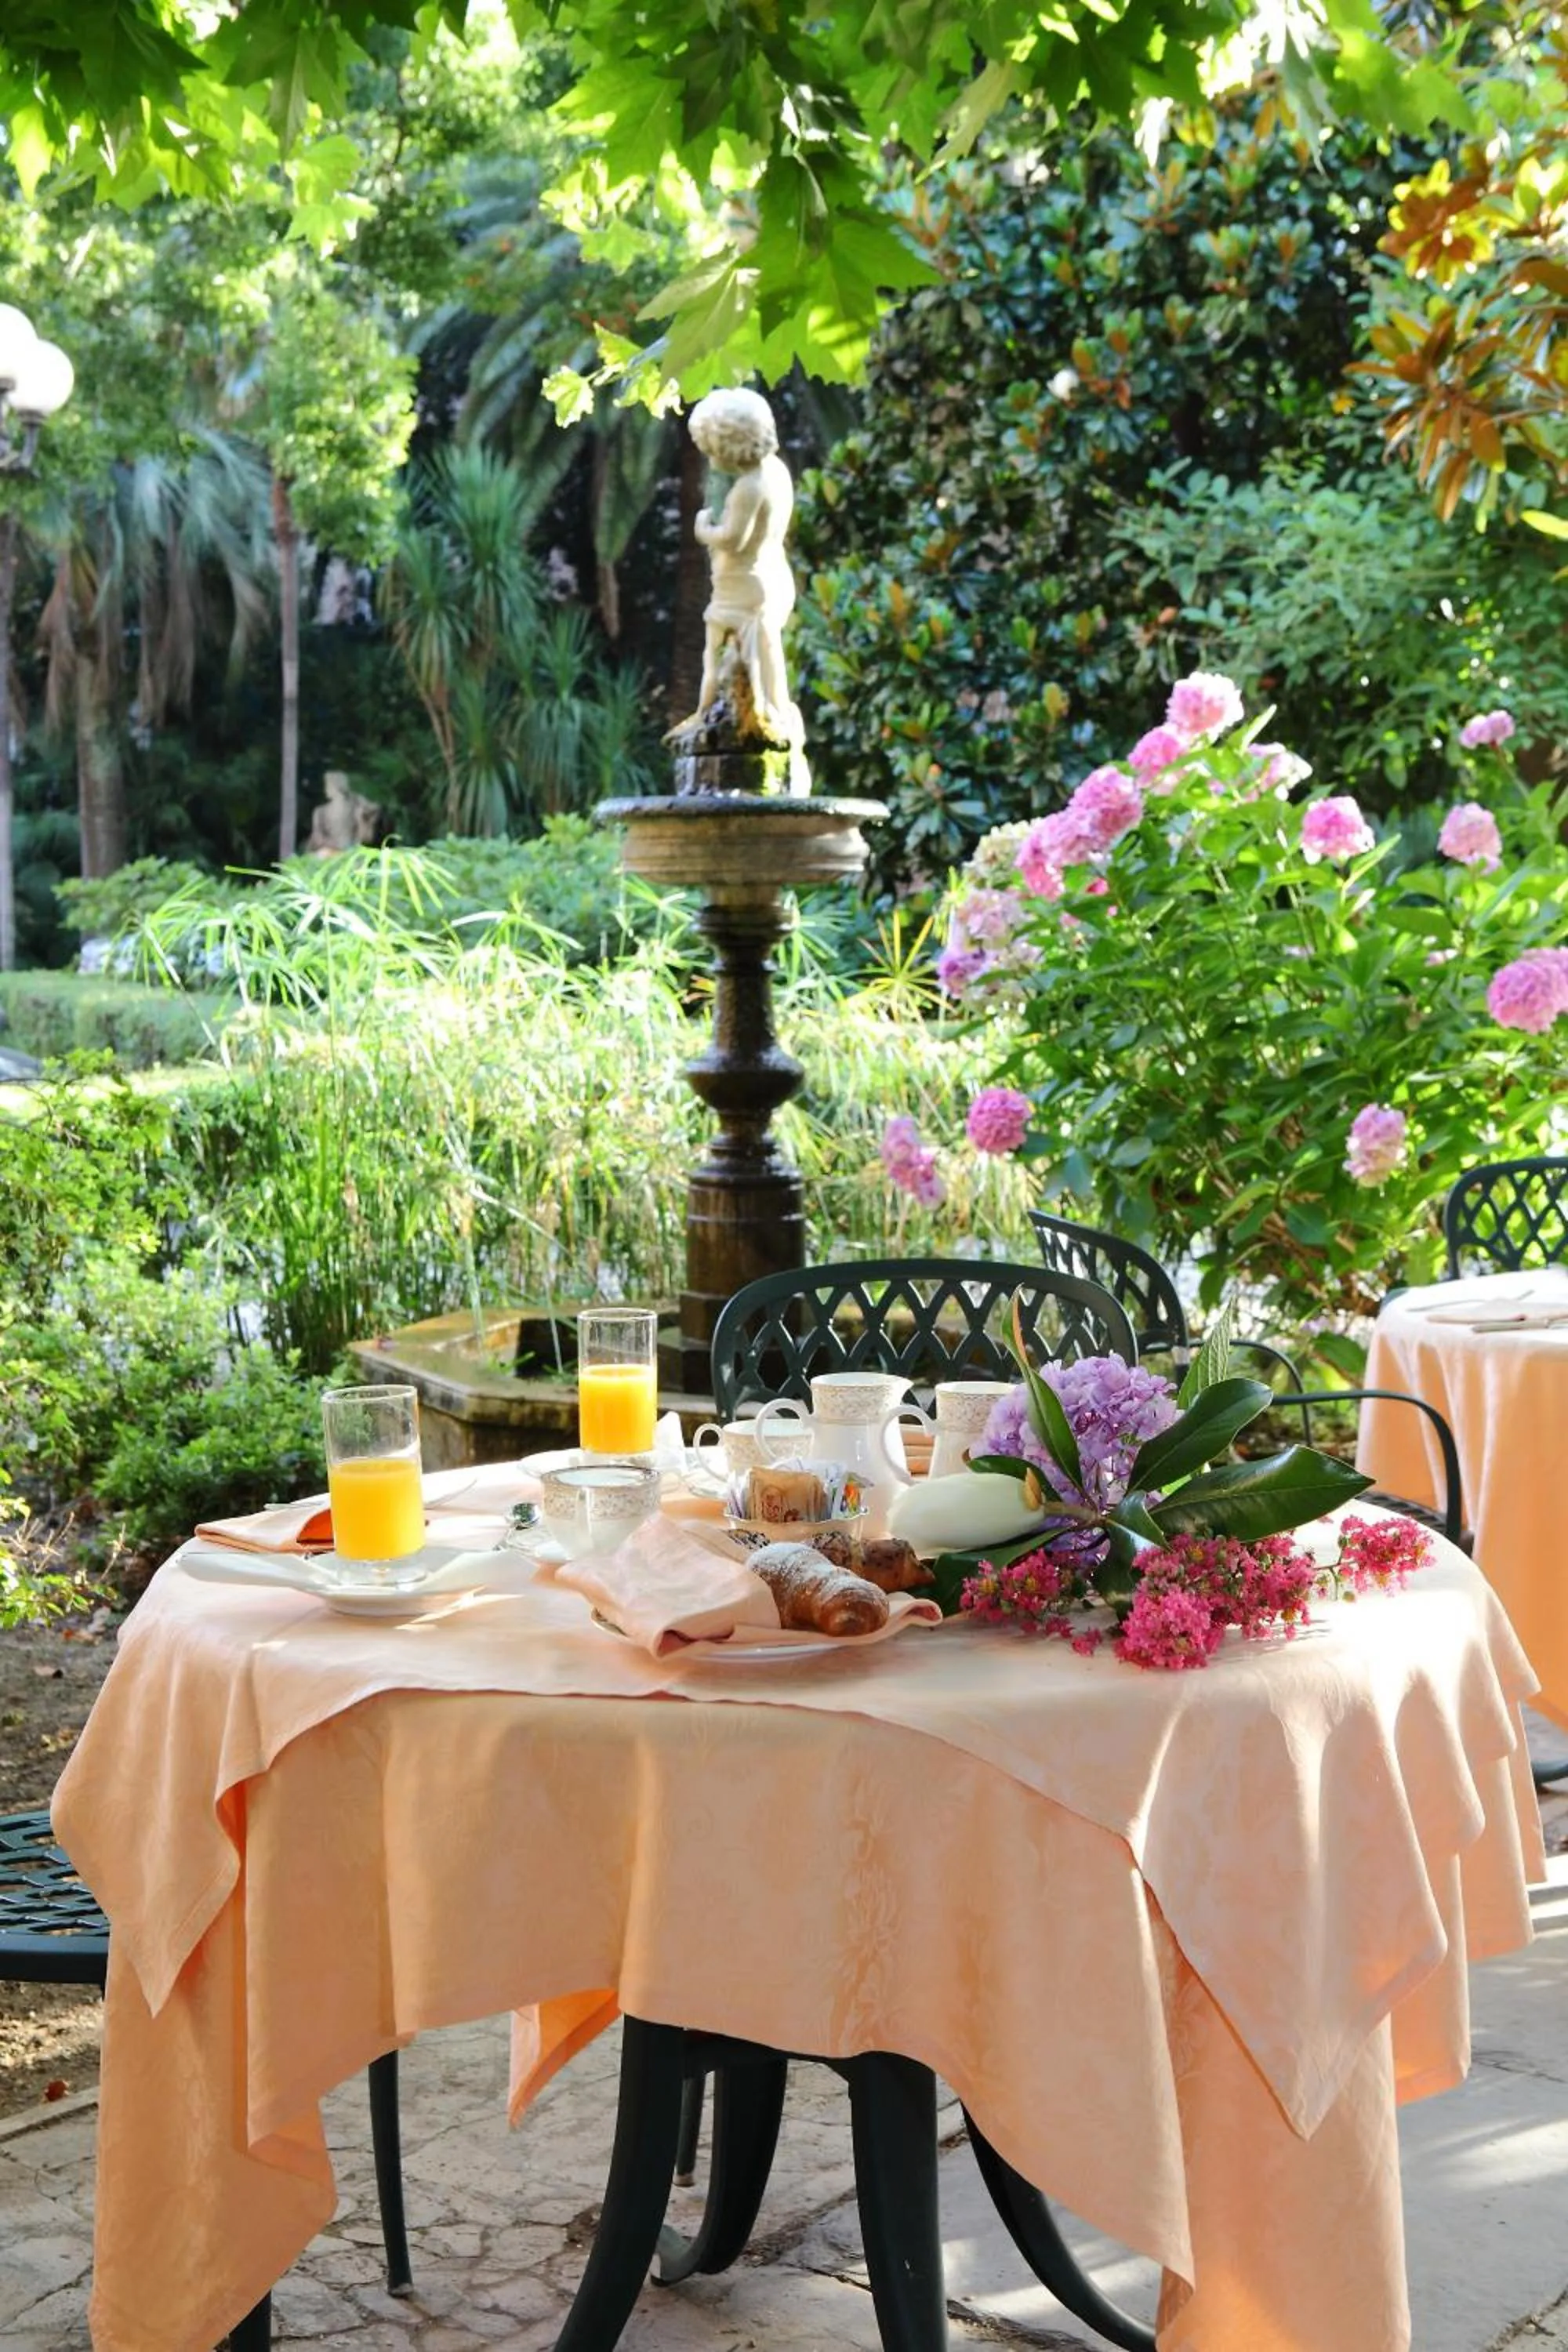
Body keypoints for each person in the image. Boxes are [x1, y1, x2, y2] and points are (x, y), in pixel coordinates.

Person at [684, 387, 809, 793]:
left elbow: (733, 539)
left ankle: (705, 715)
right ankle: (768, 715)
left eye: (710, 448)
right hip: (772, 578)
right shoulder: (777, 473)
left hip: (741, 588)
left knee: (715, 652)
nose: (709, 458)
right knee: (761, 661)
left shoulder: (748, 488)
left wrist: (705, 529)